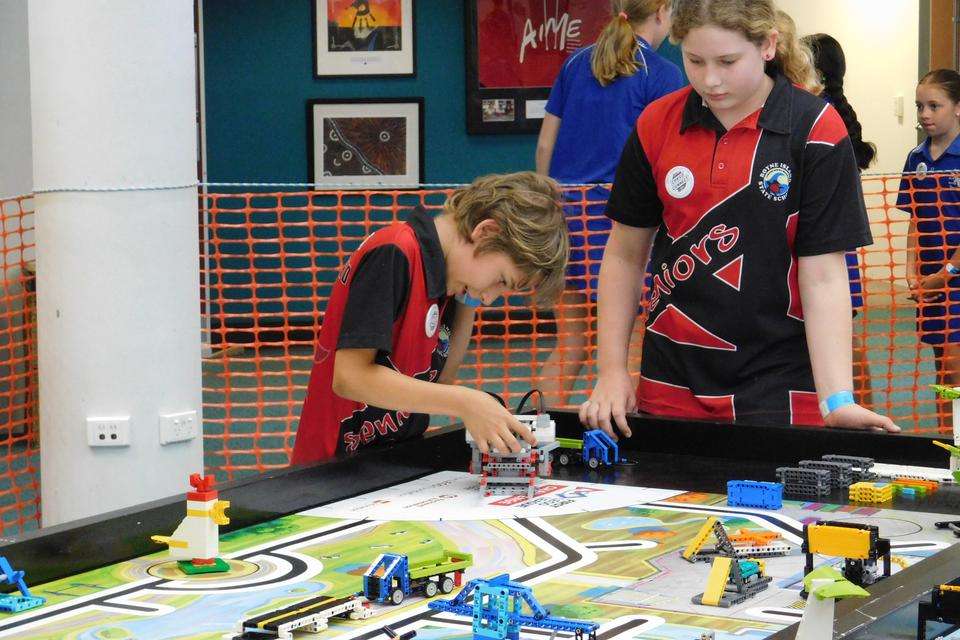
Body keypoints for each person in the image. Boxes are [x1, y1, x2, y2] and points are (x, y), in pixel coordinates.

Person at [580, 0, 899, 436]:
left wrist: (838, 398)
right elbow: (624, 256)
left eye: (727, 61)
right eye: (694, 60)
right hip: (670, 384)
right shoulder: (657, 123)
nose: (710, 79)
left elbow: (824, 274)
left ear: (768, 45)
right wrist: (612, 371)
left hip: (782, 388)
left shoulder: (817, 129)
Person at [291, 172, 569, 464]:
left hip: (388, 459)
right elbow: (350, 378)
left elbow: (442, 379)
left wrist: (468, 299)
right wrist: (466, 401)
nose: (490, 298)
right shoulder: (396, 251)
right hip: (332, 467)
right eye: (501, 280)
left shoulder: (449, 281)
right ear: (485, 232)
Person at [535, 0, 685, 406]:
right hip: (624, 223)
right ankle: (637, 438)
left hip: (567, 216)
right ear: (661, 10)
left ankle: (533, 436)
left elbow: (547, 142)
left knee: (570, 346)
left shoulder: (574, 64)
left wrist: (551, 203)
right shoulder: (665, 76)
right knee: (633, 345)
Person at [803, 32, 877, 409]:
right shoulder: (826, 110)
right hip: (825, 246)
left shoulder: (820, 115)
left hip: (828, 248)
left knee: (841, 335)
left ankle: (857, 404)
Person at [899, 69, 960, 431]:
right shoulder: (916, 158)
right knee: (941, 363)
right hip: (930, 283)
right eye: (920, 105)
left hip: (953, 279)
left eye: (934, 105)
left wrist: (946, 273)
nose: (924, 113)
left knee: (954, 366)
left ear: (957, 108)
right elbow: (913, 220)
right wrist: (913, 272)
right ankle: (945, 440)